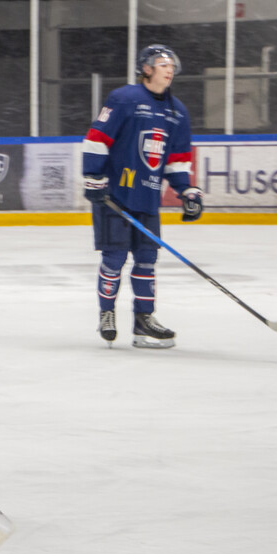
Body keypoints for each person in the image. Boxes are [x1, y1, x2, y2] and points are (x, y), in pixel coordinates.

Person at [83, 44, 201, 348]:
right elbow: (97, 138)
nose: (169, 69)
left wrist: (186, 190)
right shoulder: (124, 98)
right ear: (146, 69)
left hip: (148, 199)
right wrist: (94, 177)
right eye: (162, 64)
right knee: (114, 257)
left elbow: (177, 159)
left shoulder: (177, 111)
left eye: (172, 65)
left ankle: (143, 321)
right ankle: (107, 313)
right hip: (115, 196)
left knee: (147, 259)